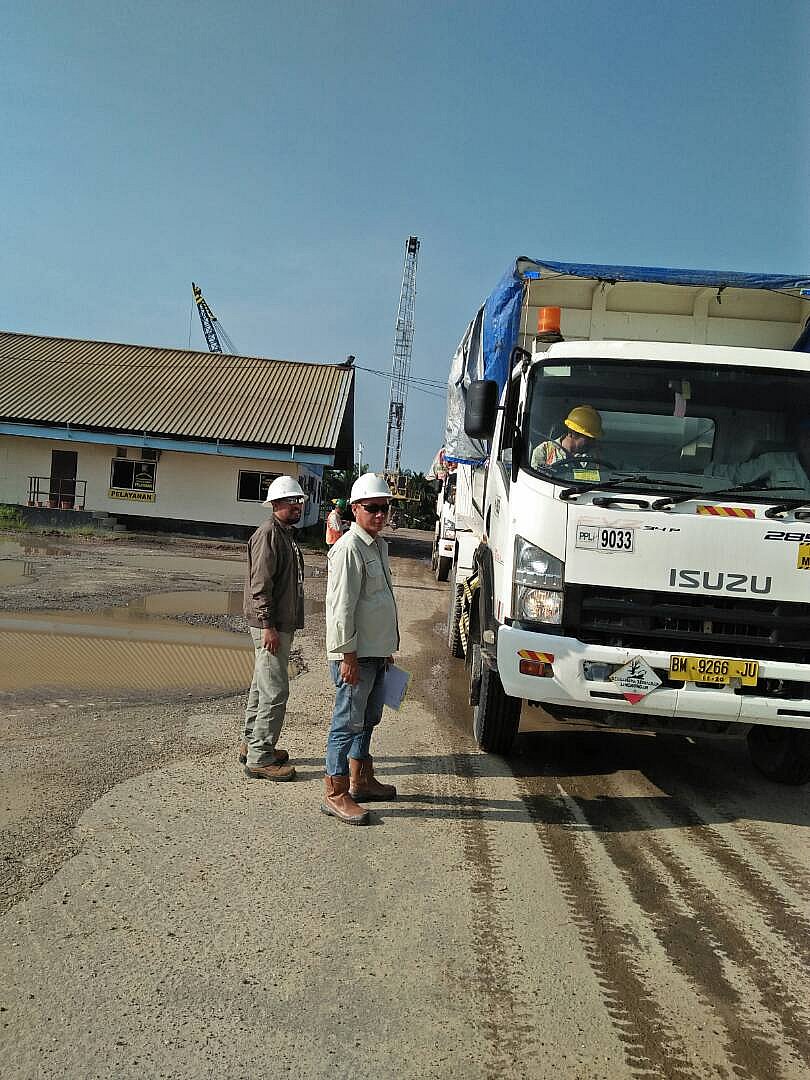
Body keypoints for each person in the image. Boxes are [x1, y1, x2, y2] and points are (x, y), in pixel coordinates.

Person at [322, 473, 400, 825]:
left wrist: (385, 650)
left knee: (368, 719)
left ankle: (360, 780)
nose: (380, 514)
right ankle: (335, 792)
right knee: (346, 722)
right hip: (354, 656)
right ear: (355, 509)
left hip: (374, 653)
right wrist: (347, 657)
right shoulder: (348, 549)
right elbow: (342, 609)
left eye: (384, 508)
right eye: (372, 508)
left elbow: (378, 602)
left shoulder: (378, 546)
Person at [239, 475, 306, 782]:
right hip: (270, 625)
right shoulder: (269, 534)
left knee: (261, 685)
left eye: (299, 501)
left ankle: (252, 743)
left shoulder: (284, 533)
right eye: (292, 501)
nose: (297, 506)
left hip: (276, 624)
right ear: (276, 503)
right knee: (275, 691)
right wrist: (268, 626)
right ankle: (261, 757)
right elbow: (260, 585)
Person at [704, 421, 810, 495]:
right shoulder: (774, 460)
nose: (807, 442)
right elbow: (736, 475)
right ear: (799, 439)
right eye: (806, 436)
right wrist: (696, 473)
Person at [530, 405, 603, 469]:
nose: (592, 442)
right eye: (589, 438)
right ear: (572, 433)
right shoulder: (544, 450)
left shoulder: (595, 457)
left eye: (593, 438)